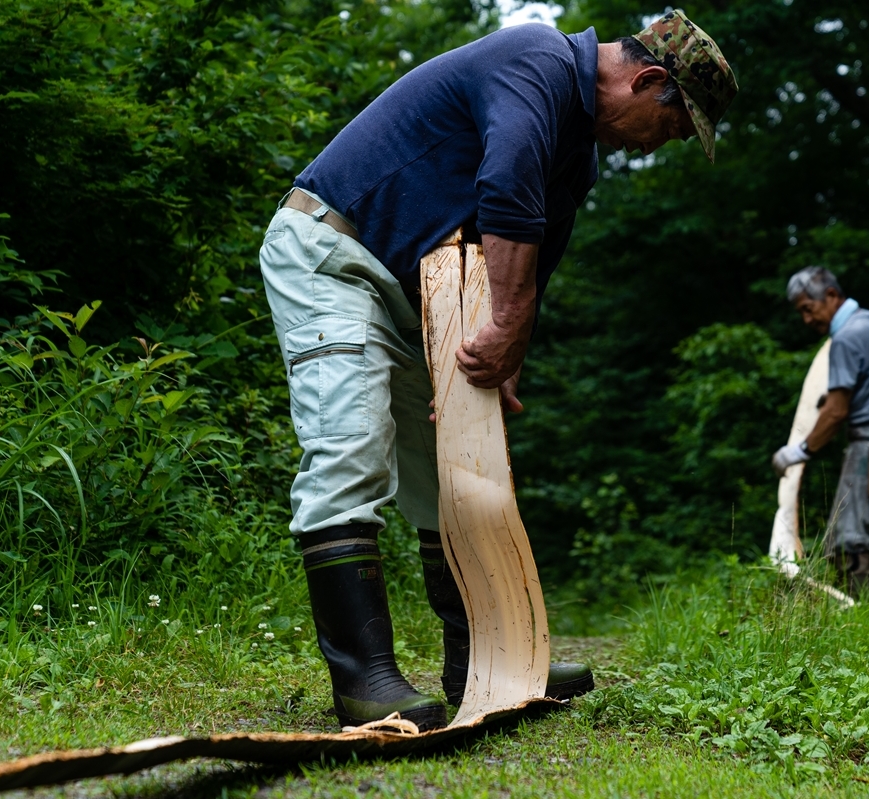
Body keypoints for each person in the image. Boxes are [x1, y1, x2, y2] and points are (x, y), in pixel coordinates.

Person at [259, 11, 738, 730]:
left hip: (420, 295)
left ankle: (485, 660)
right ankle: (364, 680)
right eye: (668, 127)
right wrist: (507, 323)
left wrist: (507, 346)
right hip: (334, 255)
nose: (653, 146)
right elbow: (506, 188)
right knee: (351, 443)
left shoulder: (578, 155)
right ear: (646, 80)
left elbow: (533, 262)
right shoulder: (536, 59)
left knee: (452, 468)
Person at [772, 267, 869, 595]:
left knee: (846, 544)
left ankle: (853, 618)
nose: (807, 320)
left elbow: (836, 411)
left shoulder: (846, 337)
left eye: (808, 309)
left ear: (831, 296)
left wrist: (798, 452)